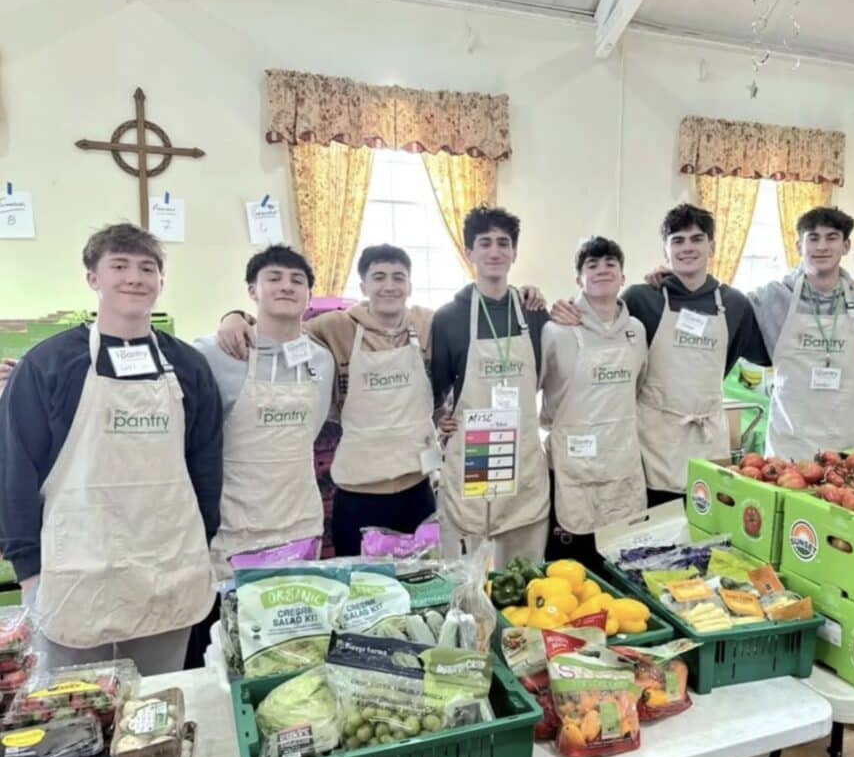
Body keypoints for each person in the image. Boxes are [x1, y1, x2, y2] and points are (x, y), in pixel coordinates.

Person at [0, 223, 222, 674]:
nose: (134, 278)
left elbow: (206, 464)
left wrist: (202, 544)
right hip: (76, 571)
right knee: (73, 705)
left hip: (168, 566)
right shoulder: (48, 364)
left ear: (161, 281)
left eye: (147, 268)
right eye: (119, 266)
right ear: (93, 278)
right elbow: (15, 469)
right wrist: (29, 568)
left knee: (160, 699)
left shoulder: (189, 366)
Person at [217, 244, 437, 557]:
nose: (389, 286)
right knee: (360, 582)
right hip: (358, 492)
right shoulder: (336, 326)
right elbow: (281, 327)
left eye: (398, 278)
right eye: (379, 277)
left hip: (418, 487)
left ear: (410, 286)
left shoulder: (427, 324)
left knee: (423, 576)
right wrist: (235, 317)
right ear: (363, 286)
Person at [553, 204, 768, 506]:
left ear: (712, 246)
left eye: (696, 239)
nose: (687, 247)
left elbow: (741, 358)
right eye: (677, 240)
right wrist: (563, 308)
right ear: (665, 250)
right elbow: (599, 317)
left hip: (708, 441)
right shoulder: (643, 298)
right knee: (654, 525)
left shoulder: (735, 304)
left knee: (706, 523)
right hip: (655, 441)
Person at [194, 245, 334, 581]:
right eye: (274, 278)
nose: (286, 286)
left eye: (297, 280)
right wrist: (232, 316)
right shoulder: (213, 354)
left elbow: (311, 432)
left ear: (309, 295)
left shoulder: (321, 360)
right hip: (236, 527)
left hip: (300, 522)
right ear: (252, 291)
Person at [431, 206, 551, 564]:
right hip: (474, 454)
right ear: (470, 252)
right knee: (471, 567)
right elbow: (436, 390)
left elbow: (549, 376)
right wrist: (440, 419)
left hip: (522, 452)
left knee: (523, 567)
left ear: (515, 252)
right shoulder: (449, 317)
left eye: (503, 243)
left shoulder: (534, 312)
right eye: (485, 243)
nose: (495, 251)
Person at [747, 207, 854, 460]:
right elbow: (725, 311)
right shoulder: (772, 299)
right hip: (791, 443)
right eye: (813, 238)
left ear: (846, 246)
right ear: (799, 246)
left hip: (852, 443)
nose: (822, 246)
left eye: (831, 237)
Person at [539, 237, 647, 567]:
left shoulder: (637, 330)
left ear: (623, 277)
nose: (602, 270)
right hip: (572, 465)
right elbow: (533, 386)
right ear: (578, 279)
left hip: (621, 460)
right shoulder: (555, 331)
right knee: (570, 566)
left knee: (619, 559)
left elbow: (639, 386)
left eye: (610, 264)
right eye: (592, 265)